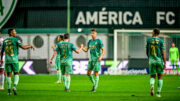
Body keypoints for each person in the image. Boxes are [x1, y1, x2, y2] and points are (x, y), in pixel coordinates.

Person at [0, 29, 34, 95]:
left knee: (8, 75)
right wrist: (30, 46)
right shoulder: (16, 40)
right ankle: (14, 87)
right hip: (14, 60)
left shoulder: (4, 41)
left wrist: (1, 59)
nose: (16, 32)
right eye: (14, 31)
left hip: (7, 60)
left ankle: (9, 91)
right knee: (16, 73)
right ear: (11, 33)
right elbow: (23, 47)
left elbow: (1, 52)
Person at [146, 28, 166, 97]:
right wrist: (165, 63)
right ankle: (158, 93)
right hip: (159, 61)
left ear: (154, 32)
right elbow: (163, 53)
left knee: (152, 76)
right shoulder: (161, 41)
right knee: (160, 77)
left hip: (152, 61)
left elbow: (146, 52)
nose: (151, 32)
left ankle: (152, 86)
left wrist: (150, 58)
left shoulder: (148, 40)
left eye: (152, 31)